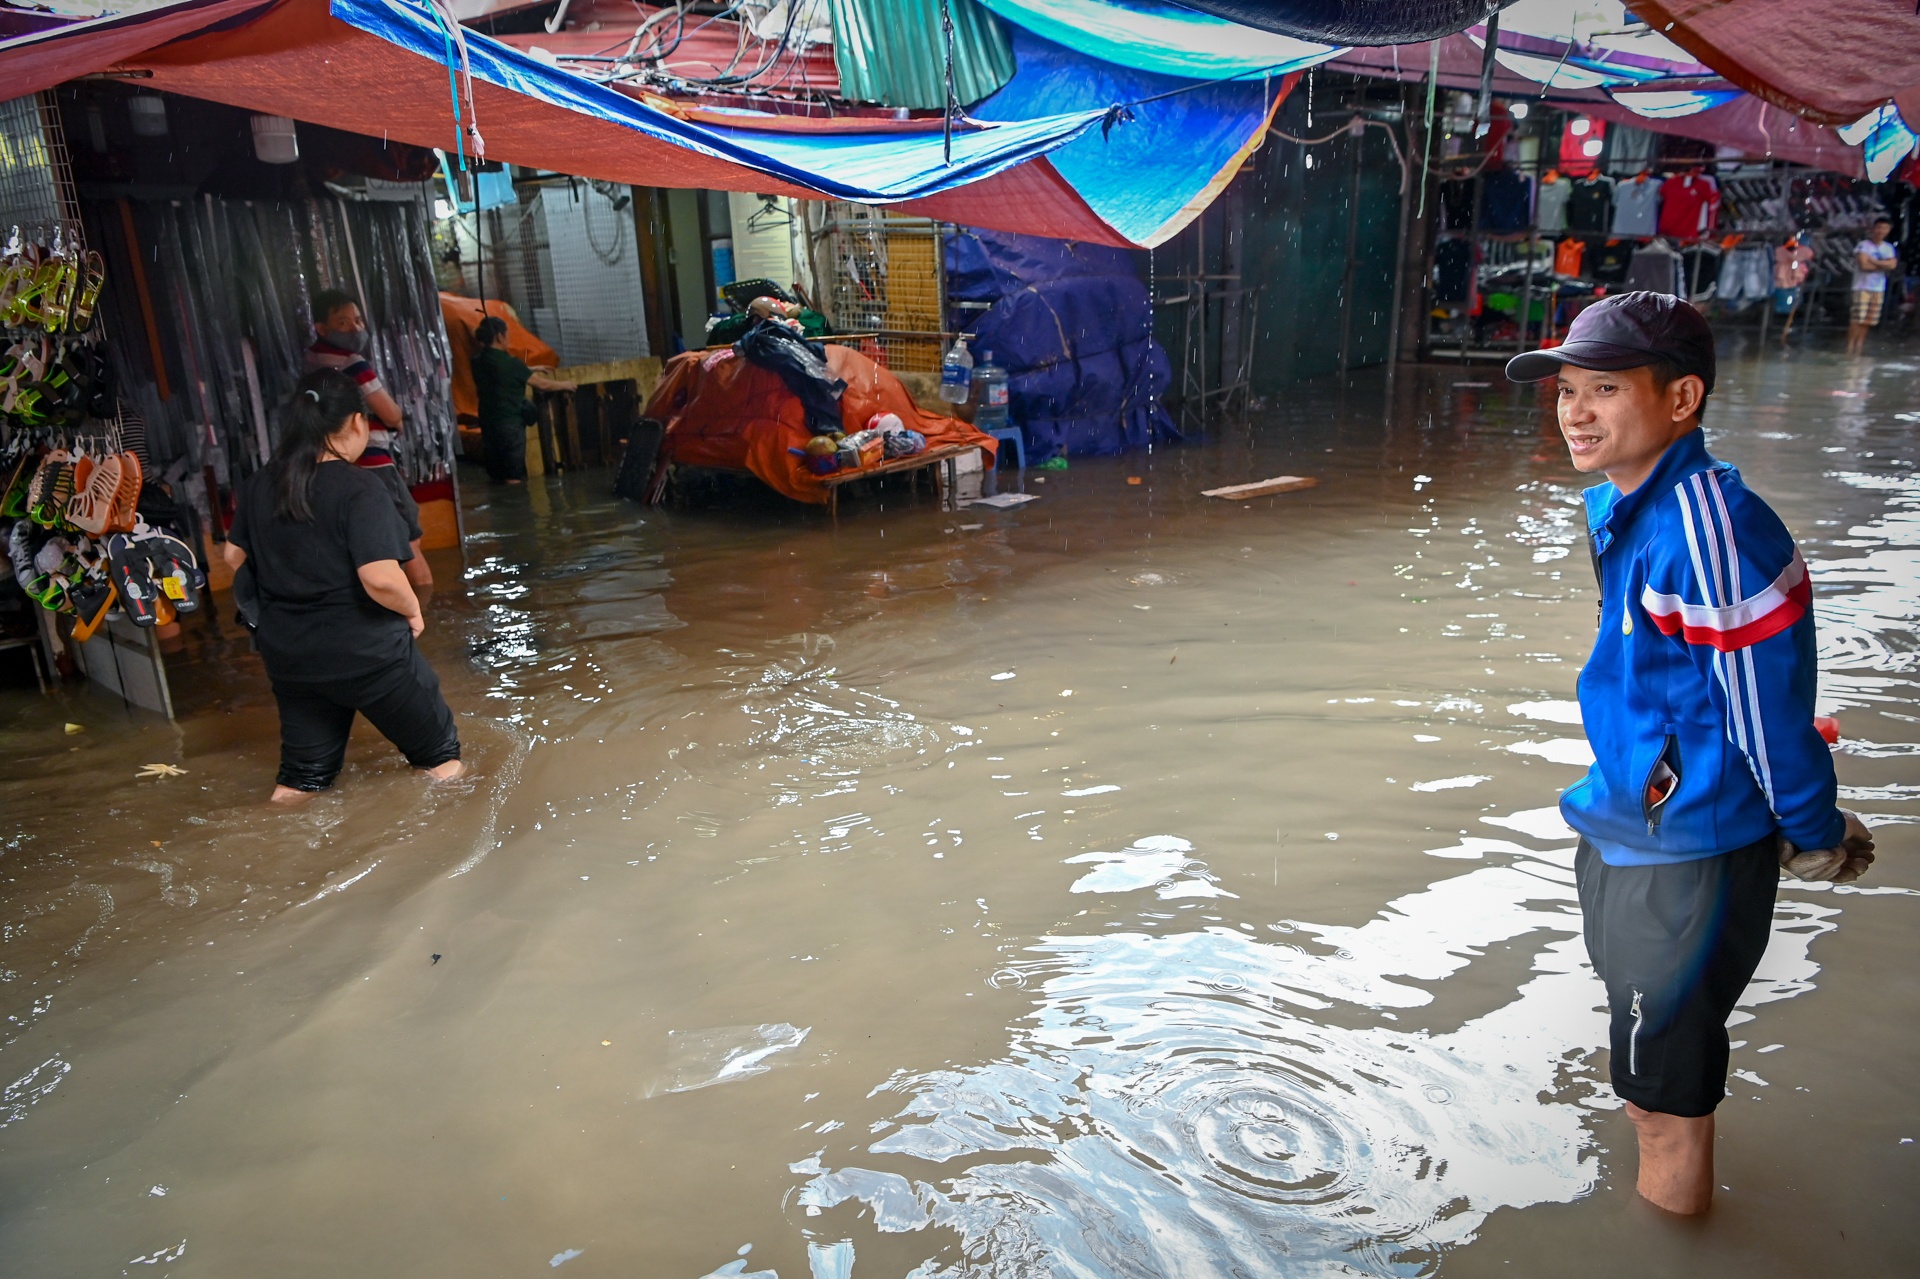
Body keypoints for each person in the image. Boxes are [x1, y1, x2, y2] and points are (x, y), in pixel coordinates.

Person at [1505, 292, 1874, 1216]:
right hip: (1634, 828)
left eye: (1603, 389)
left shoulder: (1704, 531)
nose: (1575, 412)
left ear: (1681, 399)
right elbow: (1713, 688)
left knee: (1659, 1108)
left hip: (1683, 859)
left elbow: (1767, 713)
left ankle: (1675, 1244)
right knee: (1652, 1083)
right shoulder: (1638, 508)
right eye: (1567, 391)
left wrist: (1815, 828)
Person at [225, 370, 463, 801]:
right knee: (439, 757)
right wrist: (413, 610)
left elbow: (233, 558)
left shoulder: (261, 484)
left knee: (303, 777)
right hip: (367, 654)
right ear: (357, 422)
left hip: (291, 658)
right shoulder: (360, 488)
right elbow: (380, 579)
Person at [303, 289, 431, 591]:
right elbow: (389, 412)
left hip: (330, 464)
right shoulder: (352, 362)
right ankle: (426, 605)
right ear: (322, 328)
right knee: (409, 536)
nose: (356, 328)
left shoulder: (310, 360)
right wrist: (398, 420)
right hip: (372, 460)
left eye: (358, 320)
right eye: (344, 322)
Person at [471, 315, 575, 484]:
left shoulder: (477, 361)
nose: (508, 338)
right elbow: (541, 384)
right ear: (499, 336)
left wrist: (531, 368)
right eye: (507, 334)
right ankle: (517, 507)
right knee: (513, 477)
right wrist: (564, 384)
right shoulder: (511, 363)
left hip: (488, 425)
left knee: (497, 475)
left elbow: (501, 371)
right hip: (510, 427)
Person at [1845, 216, 1898, 357]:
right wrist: (1883, 265)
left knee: (1869, 320)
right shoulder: (1863, 245)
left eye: (1885, 228)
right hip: (1862, 287)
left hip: (1878, 288)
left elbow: (1892, 265)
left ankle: (1859, 346)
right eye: (1879, 227)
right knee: (1857, 319)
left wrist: (1874, 261)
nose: (1881, 231)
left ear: (1888, 230)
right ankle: (1850, 347)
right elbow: (1863, 265)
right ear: (1873, 229)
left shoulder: (1888, 248)